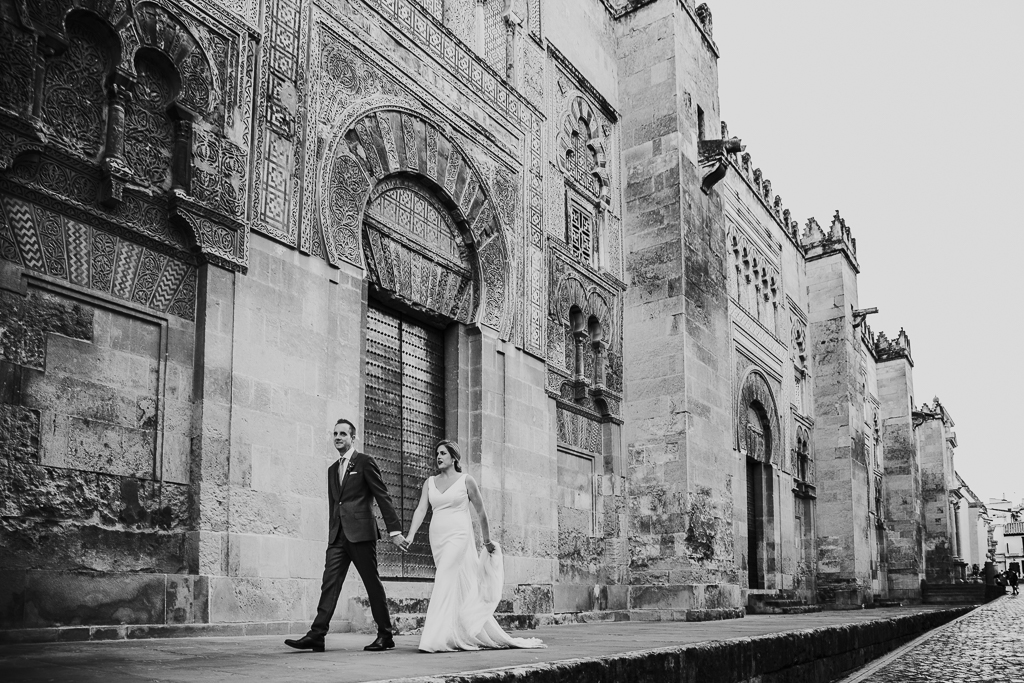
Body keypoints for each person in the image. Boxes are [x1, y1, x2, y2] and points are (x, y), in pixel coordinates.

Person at [402, 439, 545, 652]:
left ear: (454, 458)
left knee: (443, 578)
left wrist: (486, 541)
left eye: (442, 453)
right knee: (452, 581)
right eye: (437, 454)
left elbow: (481, 513)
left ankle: (434, 638)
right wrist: (411, 535)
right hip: (438, 536)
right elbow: (422, 509)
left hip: (459, 535)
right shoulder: (430, 482)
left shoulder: (466, 481)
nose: (438, 457)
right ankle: (455, 631)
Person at [285, 419, 408, 653]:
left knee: (372, 583)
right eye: (335, 434)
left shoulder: (365, 462)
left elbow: (382, 496)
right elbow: (335, 504)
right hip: (338, 537)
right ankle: (317, 635)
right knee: (329, 584)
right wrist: (332, 532)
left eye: (343, 433)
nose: (338, 437)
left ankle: (386, 635)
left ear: (353, 438)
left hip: (361, 534)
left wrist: (395, 531)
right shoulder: (332, 469)